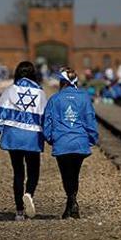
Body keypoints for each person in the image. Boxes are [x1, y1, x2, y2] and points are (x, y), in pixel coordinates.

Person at [0, 61, 47, 221]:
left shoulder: (10, 90)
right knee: (34, 171)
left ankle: (19, 212)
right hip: (32, 138)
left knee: (18, 173)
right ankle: (29, 194)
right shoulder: (40, 93)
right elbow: (46, 119)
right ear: (33, 74)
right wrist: (51, 138)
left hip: (13, 136)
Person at [43, 67, 98, 219]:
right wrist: (92, 139)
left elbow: (47, 122)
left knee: (66, 174)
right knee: (75, 173)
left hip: (62, 142)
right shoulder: (84, 97)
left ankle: (72, 202)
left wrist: (49, 138)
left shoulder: (55, 99)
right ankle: (71, 204)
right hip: (80, 142)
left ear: (62, 82)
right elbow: (90, 120)